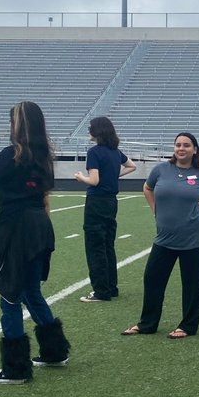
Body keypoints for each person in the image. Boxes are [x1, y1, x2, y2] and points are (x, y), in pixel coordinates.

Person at [0, 102, 70, 384]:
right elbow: (45, 198)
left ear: (19, 125)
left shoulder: (13, 154)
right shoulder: (44, 156)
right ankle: (54, 351)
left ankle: (15, 369)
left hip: (18, 229)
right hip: (40, 225)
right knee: (30, 292)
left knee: (10, 295)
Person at [121, 132, 199, 340]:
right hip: (165, 237)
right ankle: (147, 323)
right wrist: (154, 210)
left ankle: (188, 325)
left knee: (192, 284)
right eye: (178, 145)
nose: (181, 148)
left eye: (186, 145)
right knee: (152, 279)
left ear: (194, 149)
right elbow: (147, 188)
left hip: (192, 237)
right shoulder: (160, 170)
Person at [72, 115, 137, 303]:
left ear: (97, 131)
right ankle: (111, 287)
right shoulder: (115, 152)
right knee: (108, 244)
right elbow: (131, 166)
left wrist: (80, 177)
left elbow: (94, 181)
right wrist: (114, 175)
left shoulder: (95, 152)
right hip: (111, 202)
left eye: (90, 128)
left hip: (96, 202)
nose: (88, 131)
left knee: (95, 246)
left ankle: (101, 291)